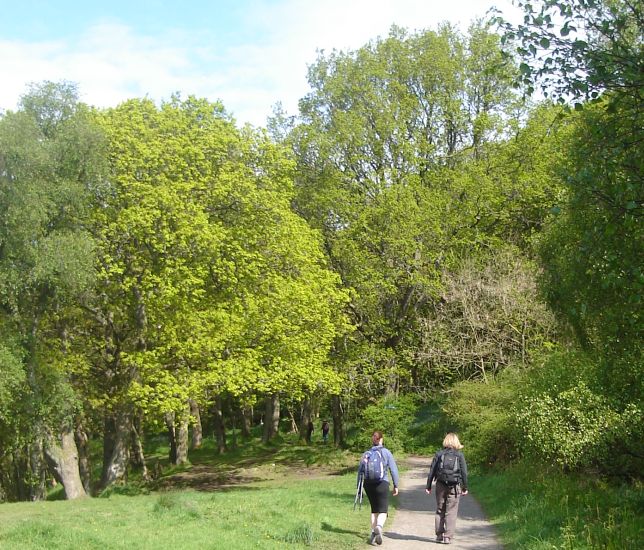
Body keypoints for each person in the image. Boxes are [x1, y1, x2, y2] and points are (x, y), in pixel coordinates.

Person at [357, 430, 400, 545]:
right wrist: (396, 485)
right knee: (383, 510)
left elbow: (360, 471)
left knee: (374, 510)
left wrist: (359, 488)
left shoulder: (366, 454)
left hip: (368, 484)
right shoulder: (386, 452)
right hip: (382, 483)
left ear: (373, 440)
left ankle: (372, 534)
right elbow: (394, 470)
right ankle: (379, 527)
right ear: (381, 439)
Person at [425, 432, 468, 545]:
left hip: (440, 484)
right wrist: (465, 487)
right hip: (454, 486)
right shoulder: (459, 455)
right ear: (456, 442)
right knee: (451, 511)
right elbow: (464, 473)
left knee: (440, 510)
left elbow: (432, 471)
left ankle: (439, 535)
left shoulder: (439, 454)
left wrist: (428, 486)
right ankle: (447, 537)